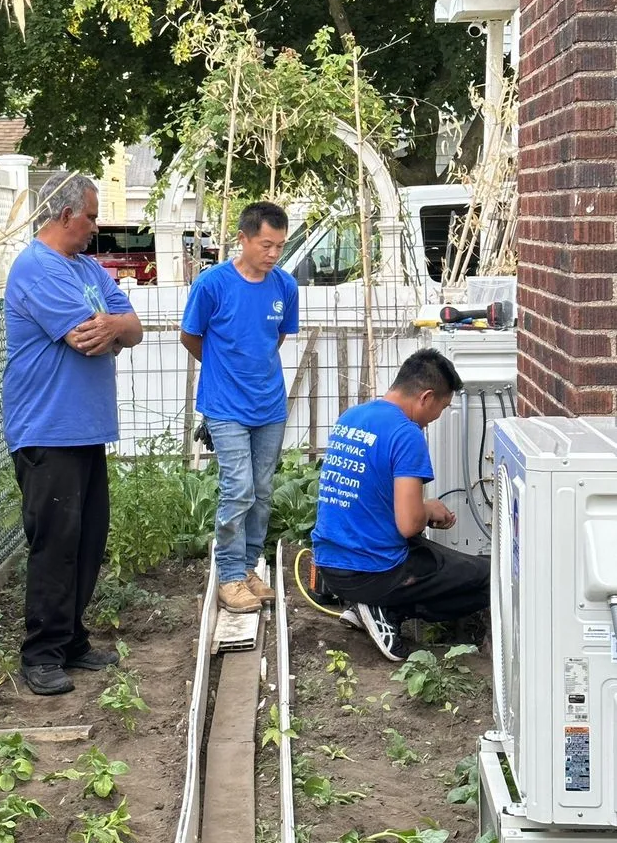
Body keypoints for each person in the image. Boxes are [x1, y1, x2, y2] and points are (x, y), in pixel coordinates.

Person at [3, 172, 143, 695]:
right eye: (90, 215)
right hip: (47, 431)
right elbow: (89, 339)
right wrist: (112, 329)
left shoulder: (84, 267)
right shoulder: (37, 270)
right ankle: (40, 653)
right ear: (65, 216)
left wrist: (115, 327)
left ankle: (72, 641)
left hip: (83, 429)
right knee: (56, 544)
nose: (95, 225)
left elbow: (133, 327)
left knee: (87, 540)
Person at [312, 348, 490, 662]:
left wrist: (421, 508)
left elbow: (371, 496)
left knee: (429, 554)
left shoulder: (352, 416)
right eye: (443, 407)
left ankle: (364, 606)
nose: (436, 418)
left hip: (330, 562)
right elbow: (408, 524)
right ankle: (385, 609)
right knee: (488, 579)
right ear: (426, 397)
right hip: (372, 571)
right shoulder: (406, 434)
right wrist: (428, 510)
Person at [180, 202, 299, 614]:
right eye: (266, 244)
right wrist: (224, 368)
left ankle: (249, 567)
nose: (273, 254)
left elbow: (276, 338)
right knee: (239, 488)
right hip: (224, 405)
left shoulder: (284, 286)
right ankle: (229, 575)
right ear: (243, 238)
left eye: (280, 246)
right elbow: (190, 336)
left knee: (263, 490)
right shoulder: (212, 285)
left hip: (269, 405)